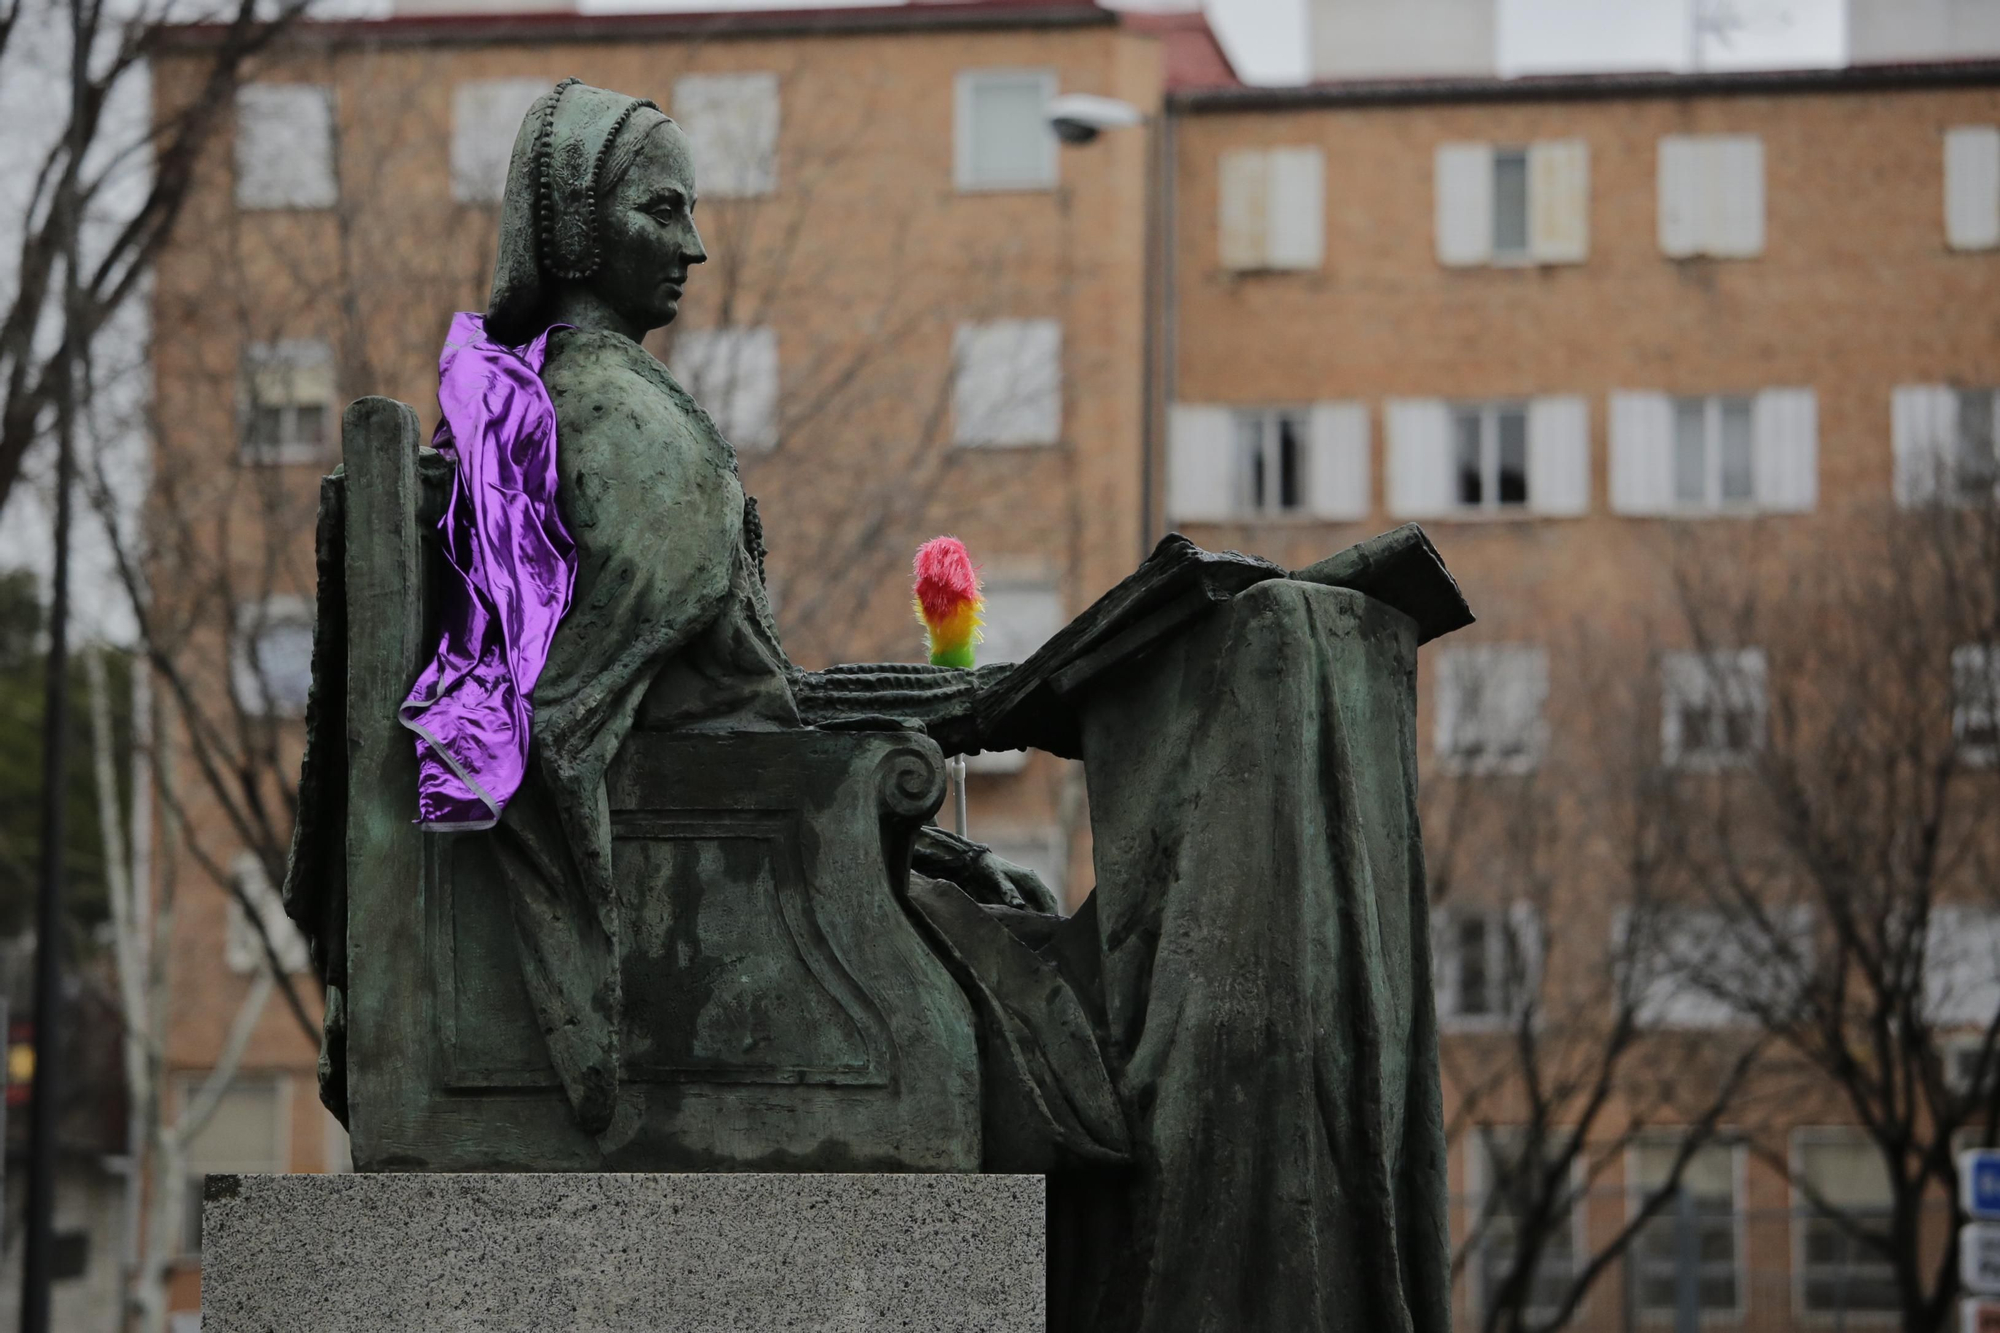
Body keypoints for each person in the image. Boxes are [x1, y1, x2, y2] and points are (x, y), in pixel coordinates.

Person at [294, 79, 1456, 1332]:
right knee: (1100, 995)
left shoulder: (582, 400)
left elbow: (728, 693)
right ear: (577, 227)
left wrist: (973, 705)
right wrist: (960, 720)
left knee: (1022, 903)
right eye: (661, 210)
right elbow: (568, 730)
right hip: (736, 883)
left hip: (756, 845)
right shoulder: (618, 420)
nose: (692, 247)